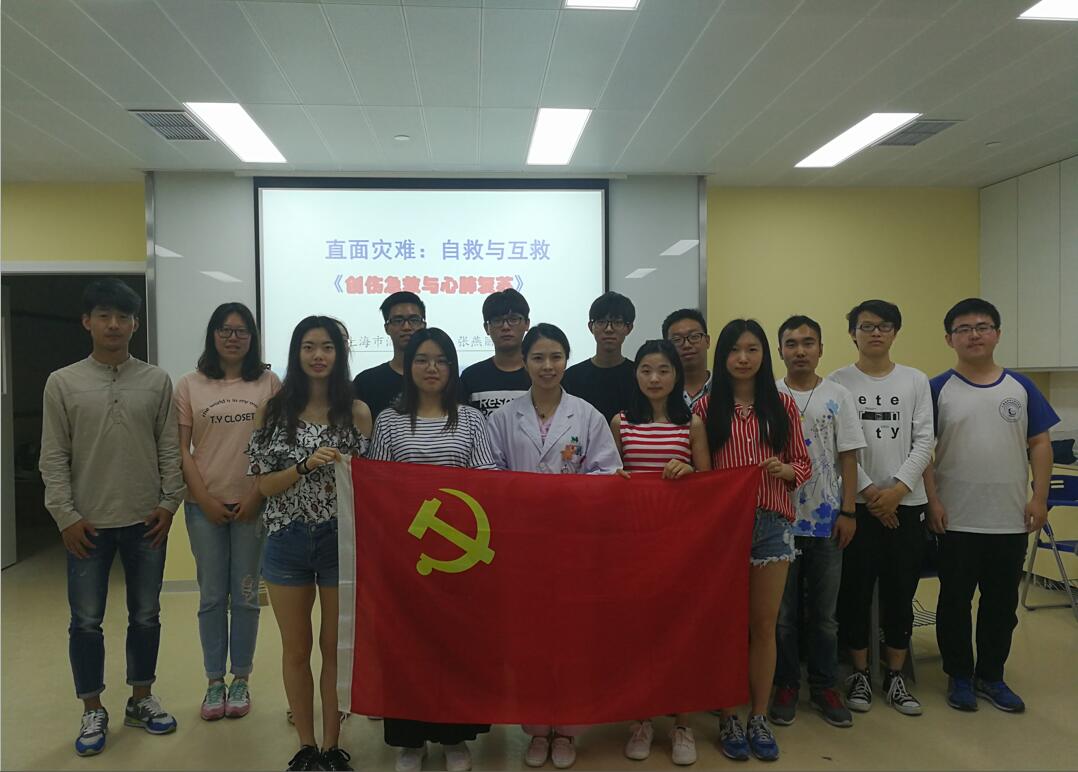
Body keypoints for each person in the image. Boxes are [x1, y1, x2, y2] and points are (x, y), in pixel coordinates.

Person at [39, 278, 185, 757]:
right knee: (86, 621)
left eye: (124, 317)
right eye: (104, 315)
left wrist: (169, 503)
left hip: (147, 520)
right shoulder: (63, 382)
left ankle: (141, 699)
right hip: (87, 523)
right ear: (87, 321)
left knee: (146, 615)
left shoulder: (156, 380)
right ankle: (92, 708)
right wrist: (65, 516)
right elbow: (53, 456)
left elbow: (169, 448)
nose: (114, 325)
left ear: (135, 324)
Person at [486, 323, 621, 769]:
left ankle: (566, 729)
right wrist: (528, 496)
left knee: (572, 638)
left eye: (556, 357)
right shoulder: (504, 418)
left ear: (566, 360)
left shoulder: (587, 415)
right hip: (522, 546)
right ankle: (537, 728)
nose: (548, 366)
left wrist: (566, 497)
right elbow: (490, 474)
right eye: (539, 358)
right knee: (529, 641)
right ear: (524, 362)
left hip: (573, 545)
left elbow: (607, 473)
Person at [367, 328, 496, 772]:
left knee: (455, 647)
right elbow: (378, 484)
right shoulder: (389, 421)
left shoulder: (471, 419)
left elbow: (486, 480)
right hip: (406, 554)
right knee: (406, 647)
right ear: (409, 366)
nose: (432, 368)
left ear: (453, 367)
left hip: (460, 555)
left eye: (441, 360)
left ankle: (454, 738)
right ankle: (410, 740)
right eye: (422, 359)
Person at [247, 316, 372, 771]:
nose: (318, 355)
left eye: (328, 347)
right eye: (309, 346)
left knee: (335, 648)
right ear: (296, 353)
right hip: (287, 539)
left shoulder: (356, 411)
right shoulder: (273, 411)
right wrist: (303, 466)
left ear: (340, 355)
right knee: (296, 650)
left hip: (342, 541)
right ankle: (305, 745)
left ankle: (333, 745)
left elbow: (369, 483)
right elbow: (264, 486)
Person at [924, 298, 1058, 714]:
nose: (974, 335)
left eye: (982, 327)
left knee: (1001, 605)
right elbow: (922, 451)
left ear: (997, 334)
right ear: (949, 339)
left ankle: (992, 676)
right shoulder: (937, 389)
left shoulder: (1021, 387)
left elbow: (1040, 443)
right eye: (963, 329)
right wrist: (932, 500)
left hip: (1009, 517)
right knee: (954, 602)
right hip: (955, 517)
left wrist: (1039, 497)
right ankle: (959, 676)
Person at [692, 319, 811, 762]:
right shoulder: (705, 408)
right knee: (727, 626)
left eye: (752, 349)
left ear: (764, 355)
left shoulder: (782, 405)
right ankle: (728, 716)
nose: (743, 358)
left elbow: (803, 463)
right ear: (722, 356)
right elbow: (701, 475)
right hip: (724, 528)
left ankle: (758, 716)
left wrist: (786, 470)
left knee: (765, 626)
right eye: (734, 350)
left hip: (772, 524)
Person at [174, 302, 281, 722]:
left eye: (241, 330)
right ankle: (214, 680)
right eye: (225, 329)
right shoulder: (190, 384)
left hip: (254, 501)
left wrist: (256, 493)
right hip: (204, 506)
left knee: (247, 594)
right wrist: (202, 497)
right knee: (212, 596)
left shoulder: (268, 382)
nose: (233, 337)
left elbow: (275, 444)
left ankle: (241, 678)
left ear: (252, 337)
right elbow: (182, 449)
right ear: (213, 335)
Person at [828, 299, 933, 719]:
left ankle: (894, 675)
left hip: (907, 504)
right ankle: (858, 673)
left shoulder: (915, 380)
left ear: (895, 332)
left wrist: (898, 490)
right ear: (852, 333)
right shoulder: (838, 382)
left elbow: (924, 442)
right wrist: (873, 494)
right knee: (854, 591)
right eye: (867, 326)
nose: (875, 332)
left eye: (884, 326)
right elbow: (837, 448)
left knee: (900, 592)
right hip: (857, 505)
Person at [613, 339, 710, 766]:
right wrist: (616, 477)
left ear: (676, 375)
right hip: (633, 545)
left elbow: (709, 483)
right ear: (636, 374)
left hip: (680, 546)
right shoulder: (620, 422)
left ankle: (683, 725)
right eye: (646, 370)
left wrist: (689, 471)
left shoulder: (692, 424)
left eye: (664, 370)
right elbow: (607, 475)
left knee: (680, 633)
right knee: (638, 634)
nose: (654, 378)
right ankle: (642, 720)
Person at [769, 316, 866, 729]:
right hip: (779, 520)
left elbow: (849, 457)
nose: (800, 351)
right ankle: (786, 684)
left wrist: (848, 511)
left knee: (825, 616)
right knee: (783, 616)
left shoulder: (838, 395)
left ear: (821, 349)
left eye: (808, 343)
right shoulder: (770, 395)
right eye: (791, 344)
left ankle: (825, 686)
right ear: (780, 351)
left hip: (827, 522)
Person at [563, 291, 637, 422]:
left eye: (617, 322)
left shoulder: (638, 376)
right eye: (601, 321)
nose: (609, 329)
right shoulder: (571, 377)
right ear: (590, 326)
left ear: (629, 328)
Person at [353, 292, 427, 419]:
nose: (406, 327)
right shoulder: (366, 381)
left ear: (423, 325)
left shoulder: (438, 379)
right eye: (398, 321)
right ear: (386, 328)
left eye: (414, 320)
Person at [459, 289, 532, 417]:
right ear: (486, 328)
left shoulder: (539, 375)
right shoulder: (470, 377)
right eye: (497, 320)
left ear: (527, 324)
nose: (506, 327)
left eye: (513, 319)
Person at [662, 309, 712, 411]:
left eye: (694, 337)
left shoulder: (726, 387)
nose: (687, 345)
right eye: (677, 340)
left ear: (707, 341)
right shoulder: (659, 392)